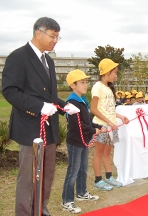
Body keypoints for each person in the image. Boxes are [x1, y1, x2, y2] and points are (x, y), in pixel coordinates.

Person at [1, 17, 80, 216]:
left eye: (57, 37)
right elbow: (10, 91)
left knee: (47, 174)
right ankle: (24, 213)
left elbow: (50, 96)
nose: (56, 40)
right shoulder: (18, 57)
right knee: (28, 177)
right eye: (53, 36)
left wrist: (65, 106)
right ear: (39, 33)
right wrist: (38, 107)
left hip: (49, 128)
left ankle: (40, 210)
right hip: (30, 128)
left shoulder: (48, 60)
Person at [61, 69, 105, 213]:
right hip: (75, 142)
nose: (86, 85)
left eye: (86, 82)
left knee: (83, 169)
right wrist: (94, 130)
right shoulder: (72, 102)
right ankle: (67, 201)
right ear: (73, 85)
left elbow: (87, 121)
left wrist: (98, 126)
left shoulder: (82, 100)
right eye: (82, 82)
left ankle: (81, 193)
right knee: (73, 171)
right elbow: (77, 125)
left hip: (84, 141)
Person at [90, 58, 130, 191]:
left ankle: (108, 176)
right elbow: (94, 109)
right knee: (99, 153)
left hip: (111, 126)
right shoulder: (97, 87)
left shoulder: (108, 88)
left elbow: (109, 109)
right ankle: (98, 180)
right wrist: (107, 122)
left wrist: (120, 116)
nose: (116, 75)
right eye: (115, 72)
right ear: (107, 72)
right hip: (102, 126)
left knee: (107, 152)